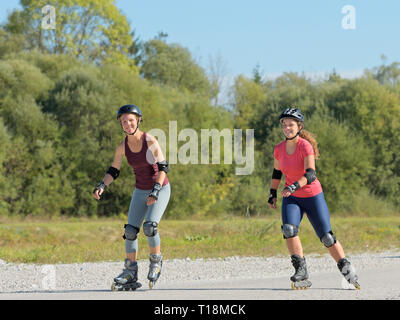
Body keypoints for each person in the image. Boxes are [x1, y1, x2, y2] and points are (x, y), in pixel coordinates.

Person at [268, 107, 360, 290]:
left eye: (291, 125)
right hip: (292, 197)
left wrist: (293, 185)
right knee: (289, 229)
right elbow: (277, 172)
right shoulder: (279, 149)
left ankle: (346, 267)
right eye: (284, 125)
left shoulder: (305, 146)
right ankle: (301, 270)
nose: (287, 128)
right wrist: (272, 193)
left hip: (312, 195)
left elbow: (310, 174)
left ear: (299, 126)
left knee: (326, 236)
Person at [93, 104, 171, 291]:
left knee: (150, 227)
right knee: (130, 231)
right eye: (123, 121)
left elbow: (163, 168)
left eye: (130, 120)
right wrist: (102, 185)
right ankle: (130, 272)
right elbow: (113, 170)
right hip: (140, 190)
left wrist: (155, 191)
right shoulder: (123, 147)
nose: (127, 124)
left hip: (159, 188)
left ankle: (155, 263)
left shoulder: (150, 141)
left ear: (138, 121)